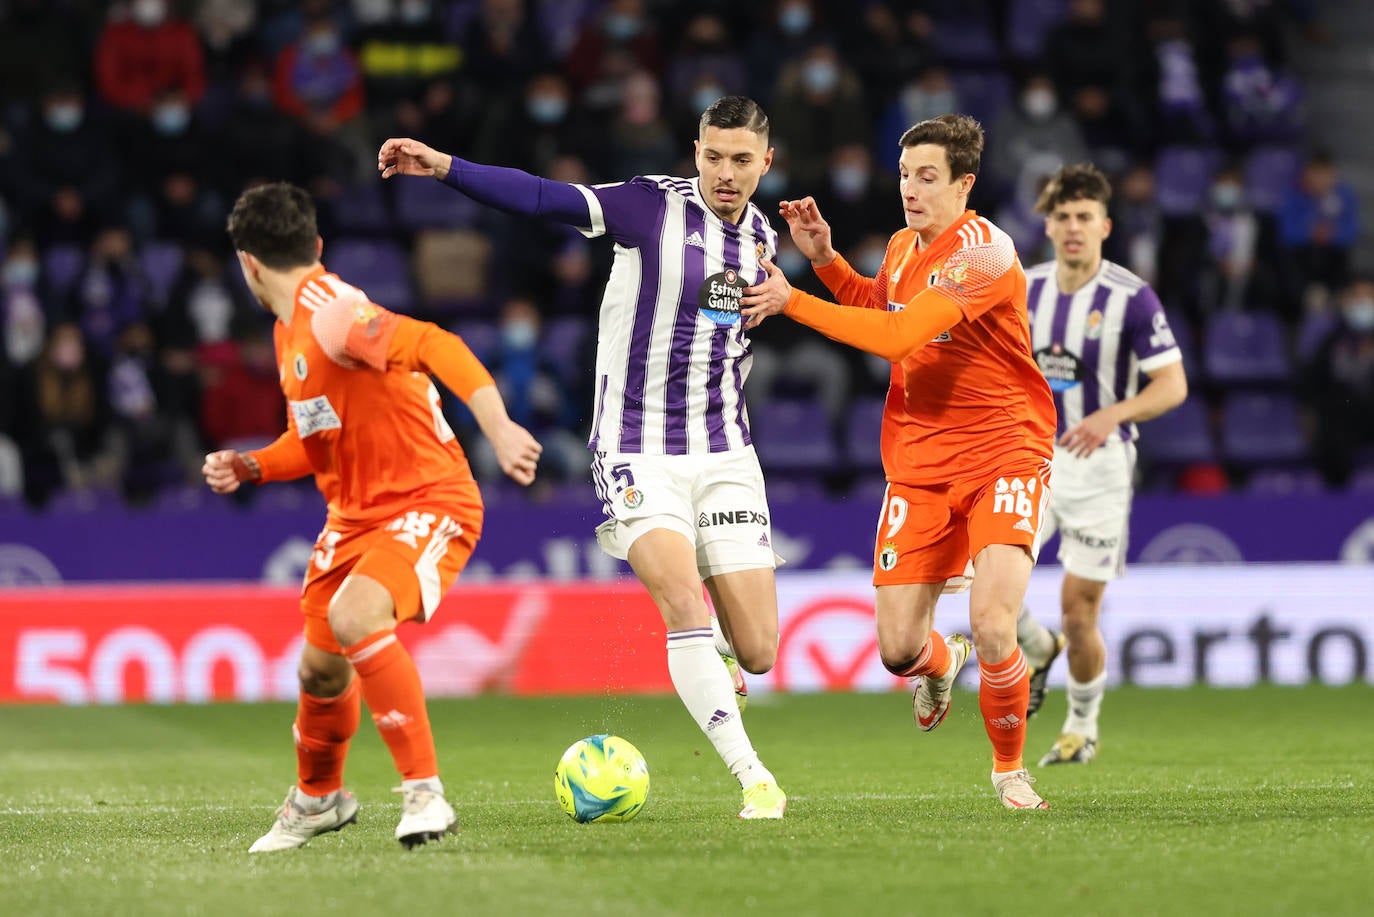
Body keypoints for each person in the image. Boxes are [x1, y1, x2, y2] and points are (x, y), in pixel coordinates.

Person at [377, 96, 788, 819]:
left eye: (742, 160)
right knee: (682, 602)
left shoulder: (759, 237)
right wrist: (444, 167)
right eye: (714, 157)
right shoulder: (647, 208)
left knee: (757, 650)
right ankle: (755, 777)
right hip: (636, 446)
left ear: (766, 162)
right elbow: (542, 199)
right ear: (696, 152)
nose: (726, 173)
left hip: (726, 449)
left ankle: (724, 657)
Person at [204, 182, 542, 851]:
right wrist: (253, 466)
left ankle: (425, 794)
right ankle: (318, 798)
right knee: (319, 670)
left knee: (355, 616)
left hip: (427, 497)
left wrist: (499, 427)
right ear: (316, 244)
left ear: (246, 262)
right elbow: (312, 435)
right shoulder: (287, 332)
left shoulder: (331, 311)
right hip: (354, 516)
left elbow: (434, 342)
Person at [740, 114, 1057, 810]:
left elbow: (897, 335)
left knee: (994, 620)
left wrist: (793, 299)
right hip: (917, 462)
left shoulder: (985, 254)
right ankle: (942, 666)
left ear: (964, 183)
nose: (909, 189)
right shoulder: (903, 244)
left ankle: (1009, 769)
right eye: (905, 174)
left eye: (927, 176)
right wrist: (825, 261)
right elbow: (880, 305)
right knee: (896, 647)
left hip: (1004, 449)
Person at [1012, 164, 1187, 765]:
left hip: (1100, 466)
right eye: (1062, 217)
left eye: (1084, 217)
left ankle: (1081, 726)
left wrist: (1114, 414)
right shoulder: (1022, 288)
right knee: (985, 580)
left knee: (1079, 608)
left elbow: (1172, 385)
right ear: (1049, 226)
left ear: (1105, 225)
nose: (1073, 228)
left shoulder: (1131, 297)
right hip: (1028, 458)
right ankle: (1036, 647)